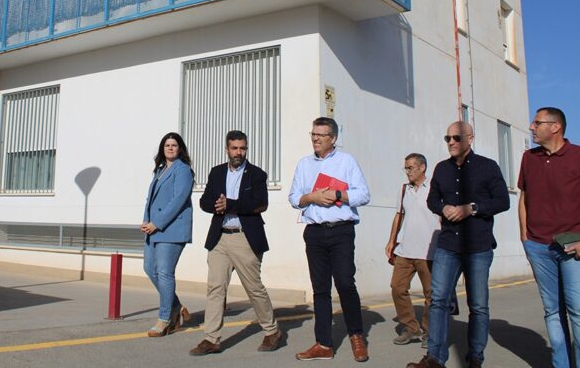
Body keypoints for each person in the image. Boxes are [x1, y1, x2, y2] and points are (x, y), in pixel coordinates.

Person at [408, 121, 510, 368]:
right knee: (438, 300)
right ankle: (434, 358)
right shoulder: (442, 169)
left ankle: (475, 358)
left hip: (478, 246)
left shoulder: (488, 167)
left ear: (470, 138)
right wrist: (443, 208)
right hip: (448, 245)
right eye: (447, 138)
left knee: (478, 305)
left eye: (456, 137)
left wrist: (472, 208)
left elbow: (503, 201)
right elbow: (432, 198)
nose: (451, 142)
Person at [519, 107, 580, 368]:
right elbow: (524, 198)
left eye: (537, 123)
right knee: (552, 311)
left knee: (579, 311)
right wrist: (525, 237)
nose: (532, 127)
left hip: (575, 246)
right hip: (538, 246)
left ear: (555, 127)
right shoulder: (528, 158)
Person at [189, 130, 282, 356]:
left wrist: (230, 205)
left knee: (253, 288)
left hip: (245, 238)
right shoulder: (217, 172)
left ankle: (272, 331)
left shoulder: (256, 174)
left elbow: (261, 204)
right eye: (234, 148)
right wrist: (216, 205)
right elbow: (204, 202)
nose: (238, 152)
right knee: (215, 288)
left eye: (242, 148)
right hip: (220, 238)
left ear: (246, 149)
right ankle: (211, 339)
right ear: (227, 149)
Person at [288, 117, 370, 362]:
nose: (315, 139)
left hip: (341, 231)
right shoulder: (304, 164)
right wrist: (311, 197)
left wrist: (337, 194)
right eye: (313, 134)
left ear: (333, 139)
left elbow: (363, 194)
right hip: (314, 232)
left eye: (321, 135)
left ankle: (356, 335)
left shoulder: (347, 161)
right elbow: (293, 198)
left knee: (345, 282)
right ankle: (323, 343)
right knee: (320, 289)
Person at [141, 132, 194, 337]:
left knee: (164, 272)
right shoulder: (161, 170)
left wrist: (157, 223)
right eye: (167, 145)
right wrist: (146, 221)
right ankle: (176, 306)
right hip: (153, 228)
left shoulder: (183, 170)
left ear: (180, 148)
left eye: (174, 145)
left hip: (171, 230)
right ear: (163, 149)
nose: (170, 148)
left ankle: (164, 319)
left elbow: (178, 201)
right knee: (149, 268)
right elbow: (151, 200)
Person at [385, 153, 440, 347]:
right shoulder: (404, 190)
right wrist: (392, 240)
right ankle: (411, 328)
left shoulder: (435, 187)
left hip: (429, 251)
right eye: (406, 168)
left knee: (431, 294)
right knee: (397, 287)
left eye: (410, 168)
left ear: (422, 167)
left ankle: (429, 332)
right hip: (405, 250)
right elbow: (398, 215)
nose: (407, 172)